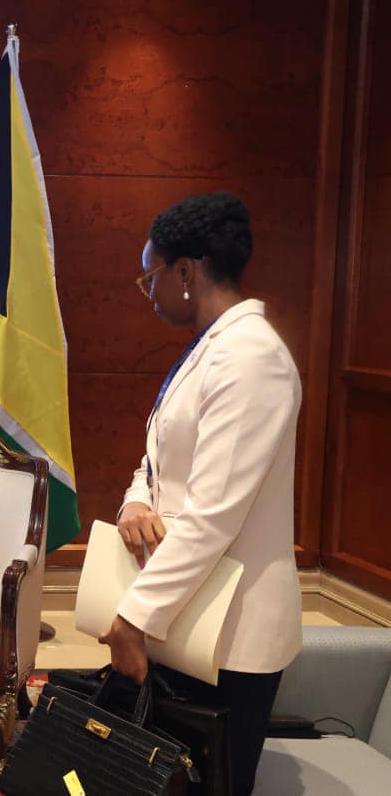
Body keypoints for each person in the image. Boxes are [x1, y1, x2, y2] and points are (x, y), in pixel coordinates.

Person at [98, 192, 303, 795]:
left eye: (151, 277)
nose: (149, 292)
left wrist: (134, 618)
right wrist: (135, 501)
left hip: (232, 630)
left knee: (210, 784)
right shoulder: (210, 346)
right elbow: (159, 459)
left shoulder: (251, 359)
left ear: (186, 272)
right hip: (188, 609)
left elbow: (213, 516)